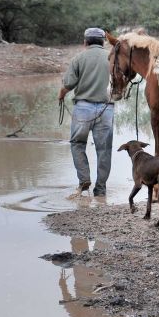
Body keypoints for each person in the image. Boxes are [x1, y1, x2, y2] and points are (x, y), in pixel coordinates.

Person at [58, 27, 114, 197]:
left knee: (77, 144)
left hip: (83, 108)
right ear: (103, 42)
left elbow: (68, 85)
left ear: (85, 42)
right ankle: (101, 189)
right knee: (104, 150)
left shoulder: (78, 58)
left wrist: (60, 96)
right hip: (106, 109)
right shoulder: (111, 58)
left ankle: (84, 180)